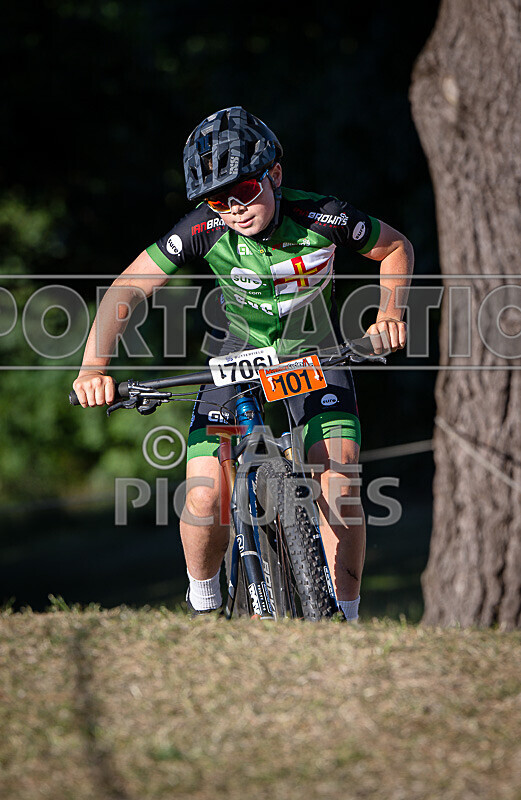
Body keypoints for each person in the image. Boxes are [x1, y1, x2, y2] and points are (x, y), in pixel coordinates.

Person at [73, 106, 413, 621]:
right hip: (238, 354)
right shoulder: (202, 228)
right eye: (219, 199)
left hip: (314, 351)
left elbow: (395, 248)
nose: (234, 208)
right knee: (206, 491)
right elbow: (127, 289)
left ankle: (346, 623)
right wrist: (92, 368)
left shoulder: (320, 215)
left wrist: (390, 313)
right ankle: (204, 608)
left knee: (339, 481)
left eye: (246, 191)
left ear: (274, 175)